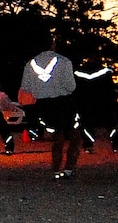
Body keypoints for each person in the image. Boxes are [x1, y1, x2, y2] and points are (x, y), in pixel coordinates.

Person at [21, 46, 80, 179]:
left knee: (56, 138)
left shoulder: (31, 63)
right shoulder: (64, 61)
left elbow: (26, 87)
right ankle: (69, 169)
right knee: (75, 137)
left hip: (43, 105)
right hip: (64, 103)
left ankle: (56, 170)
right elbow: (71, 86)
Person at [73, 63, 118, 153]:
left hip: (86, 104)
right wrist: (114, 106)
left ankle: (88, 145)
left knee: (86, 126)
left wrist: (76, 105)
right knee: (111, 126)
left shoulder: (78, 74)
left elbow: (76, 92)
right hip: (103, 103)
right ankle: (116, 146)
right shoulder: (105, 72)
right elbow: (110, 91)